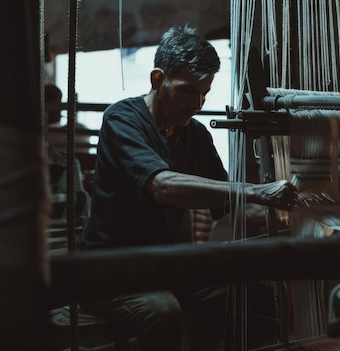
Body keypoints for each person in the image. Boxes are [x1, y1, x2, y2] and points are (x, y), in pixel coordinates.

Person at [79, 25, 298, 351]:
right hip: (112, 274)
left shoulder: (193, 134)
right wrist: (254, 192)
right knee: (164, 314)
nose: (198, 102)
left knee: (256, 296)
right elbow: (163, 186)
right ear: (157, 79)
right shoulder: (122, 120)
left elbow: (228, 203)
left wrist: (283, 219)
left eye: (205, 92)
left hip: (166, 267)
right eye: (188, 91)